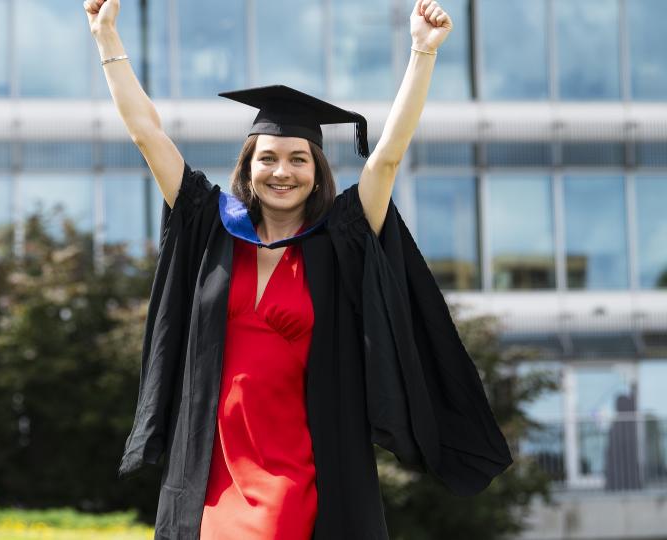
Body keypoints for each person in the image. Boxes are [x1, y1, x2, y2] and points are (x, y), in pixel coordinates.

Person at [84, 1, 512, 539]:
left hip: (301, 461)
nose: (281, 171)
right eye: (267, 158)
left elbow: (386, 157)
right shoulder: (209, 223)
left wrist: (422, 51)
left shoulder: (341, 238)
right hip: (208, 463)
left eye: (297, 159)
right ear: (248, 166)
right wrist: (107, 40)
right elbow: (147, 134)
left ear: (317, 171)